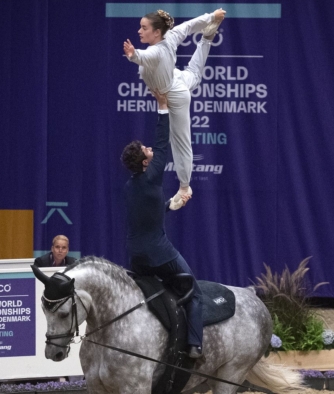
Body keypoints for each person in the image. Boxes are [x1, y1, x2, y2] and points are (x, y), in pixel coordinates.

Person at [120, 90, 203, 359]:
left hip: (136, 257)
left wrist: (171, 204)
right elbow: (162, 141)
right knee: (194, 292)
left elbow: (147, 216)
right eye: (147, 150)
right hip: (159, 253)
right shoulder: (153, 175)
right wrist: (163, 106)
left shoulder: (130, 187)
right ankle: (194, 345)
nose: (151, 149)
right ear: (146, 162)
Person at [123, 8, 226, 210]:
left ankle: (185, 187)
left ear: (157, 32)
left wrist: (133, 55)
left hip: (172, 95)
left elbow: (144, 56)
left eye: (144, 28)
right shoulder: (170, 36)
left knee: (180, 142)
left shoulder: (156, 51)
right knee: (194, 75)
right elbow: (189, 26)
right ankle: (207, 37)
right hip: (174, 79)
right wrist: (211, 17)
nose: (139, 31)